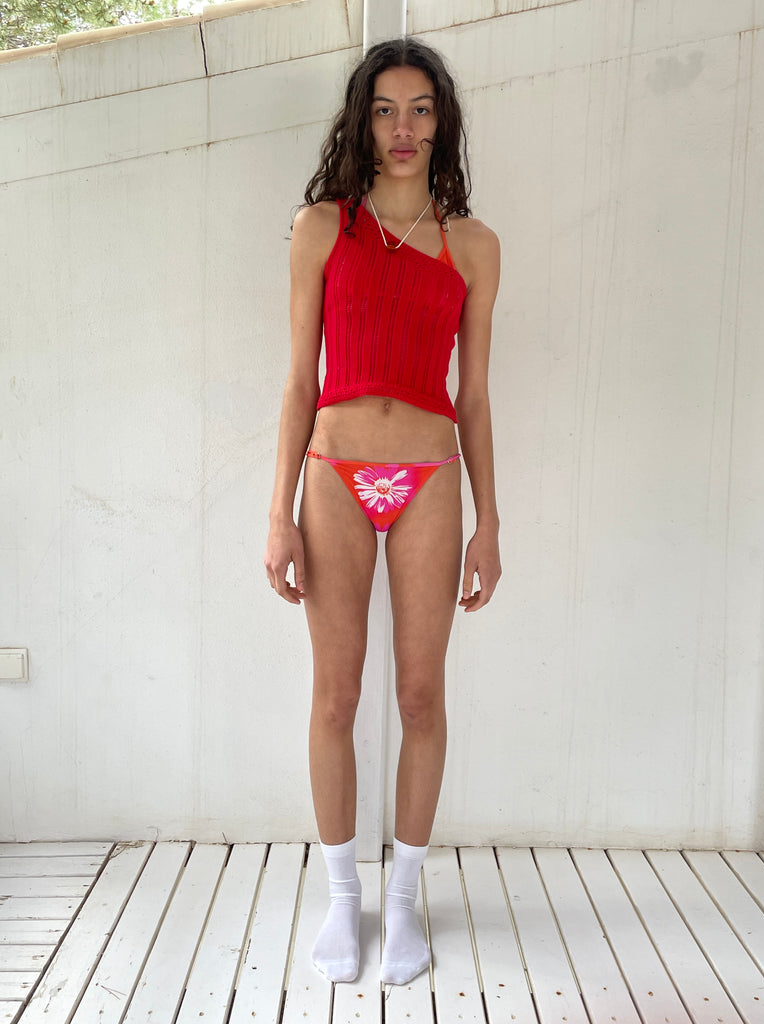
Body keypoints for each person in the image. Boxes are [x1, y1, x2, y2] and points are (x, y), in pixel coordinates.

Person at [264, 36, 501, 986]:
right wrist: (277, 513)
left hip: (431, 481)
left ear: (442, 124)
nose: (403, 128)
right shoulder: (323, 227)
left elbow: (473, 397)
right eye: (385, 109)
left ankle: (401, 900)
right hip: (334, 475)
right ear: (362, 121)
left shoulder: (473, 245)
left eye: (421, 109)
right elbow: (298, 382)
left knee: (419, 697)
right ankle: (342, 898)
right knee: (335, 695)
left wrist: (490, 523)